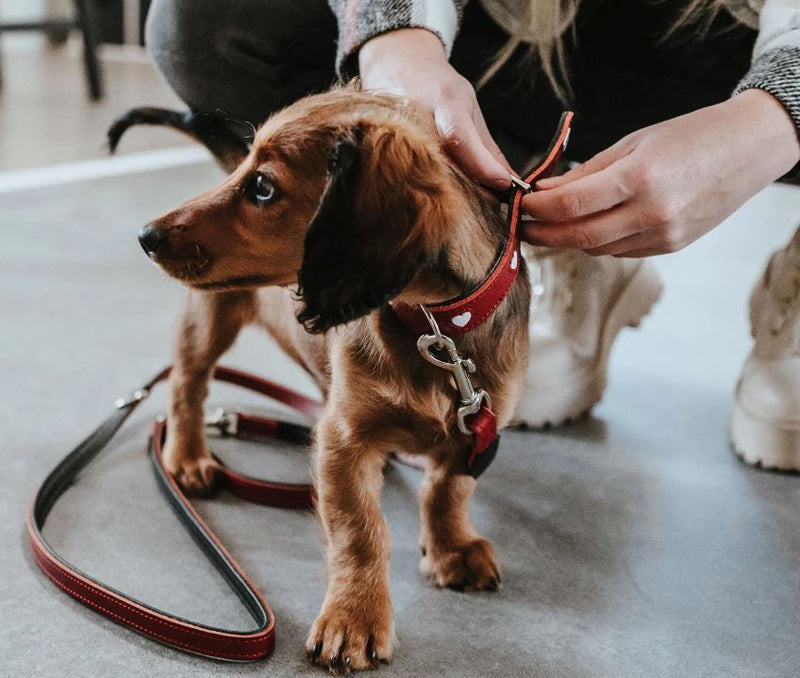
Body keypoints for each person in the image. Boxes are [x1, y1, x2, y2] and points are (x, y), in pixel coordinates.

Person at [146, 0, 800, 467]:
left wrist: (775, 117)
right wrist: (396, 35)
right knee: (210, 21)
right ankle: (553, 250)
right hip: (526, 34)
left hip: (734, 40)